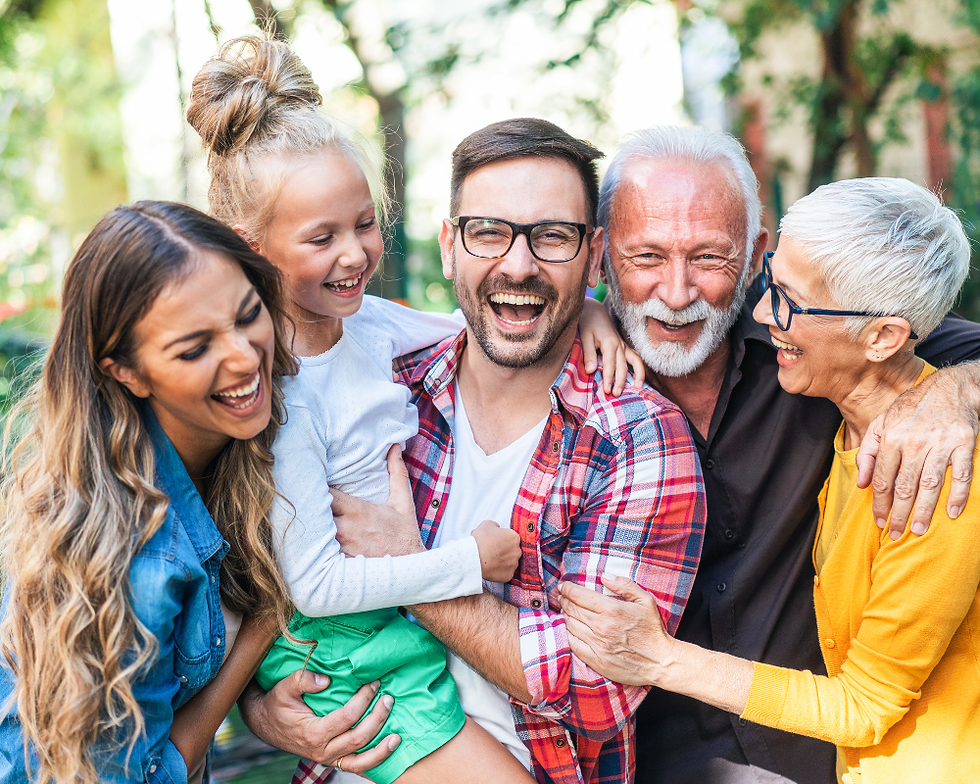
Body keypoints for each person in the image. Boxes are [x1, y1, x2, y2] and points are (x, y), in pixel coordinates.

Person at [188, 41, 640, 784]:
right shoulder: (286, 396)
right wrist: (468, 563)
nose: (355, 254)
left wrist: (588, 311)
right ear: (253, 249)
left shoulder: (367, 326)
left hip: (385, 632)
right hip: (340, 641)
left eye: (364, 224)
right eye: (321, 238)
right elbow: (315, 585)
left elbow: (486, 320)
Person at [287, 117, 708, 784]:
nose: (519, 264)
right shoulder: (385, 386)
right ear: (450, 246)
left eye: (553, 237)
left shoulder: (635, 436)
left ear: (593, 256)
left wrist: (410, 565)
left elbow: (592, 689)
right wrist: (259, 706)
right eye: (489, 232)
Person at [567, 125, 980, 784]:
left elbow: (866, 702)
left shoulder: (900, 425)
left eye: (710, 257)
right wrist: (582, 313)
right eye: (646, 256)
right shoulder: (564, 380)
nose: (677, 293)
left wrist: (959, 389)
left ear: (755, 252)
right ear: (601, 255)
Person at [0, 202, 396, 783]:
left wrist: (580, 317)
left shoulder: (240, 435)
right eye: (193, 349)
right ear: (126, 372)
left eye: (246, 315)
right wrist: (264, 628)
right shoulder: (135, 561)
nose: (243, 358)